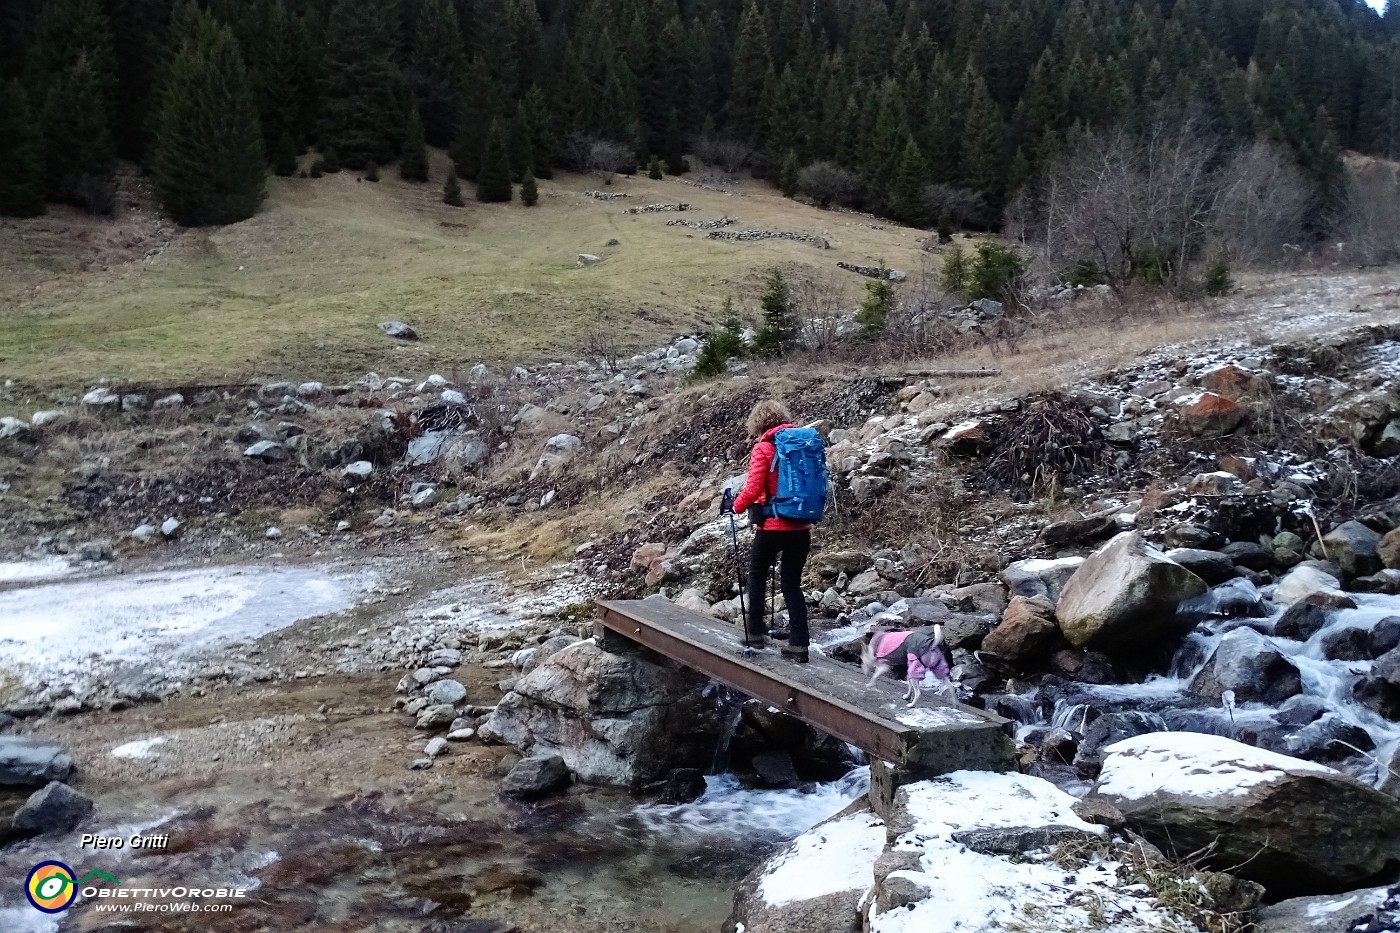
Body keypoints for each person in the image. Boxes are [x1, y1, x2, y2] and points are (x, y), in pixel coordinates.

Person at [731, 399, 813, 662]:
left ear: (758, 423)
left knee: (757, 576)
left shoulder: (764, 448)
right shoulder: (801, 445)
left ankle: (755, 632)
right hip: (801, 527)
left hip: (771, 527)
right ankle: (799, 644)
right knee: (791, 585)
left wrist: (736, 506)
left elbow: (753, 488)